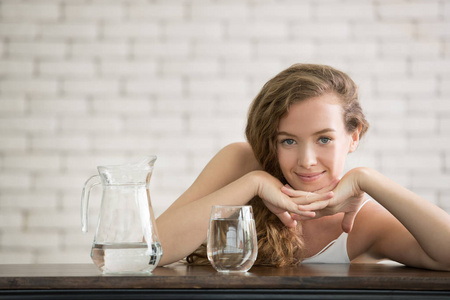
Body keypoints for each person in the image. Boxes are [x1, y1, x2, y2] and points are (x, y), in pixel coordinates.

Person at [156, 64, 450, 271]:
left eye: (324, 138)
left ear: (354, 135)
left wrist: (368, 179)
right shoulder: (240, 163)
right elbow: (154, 251)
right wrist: (254, 183)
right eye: (288, 142)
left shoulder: (362, 223)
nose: (307, 160)